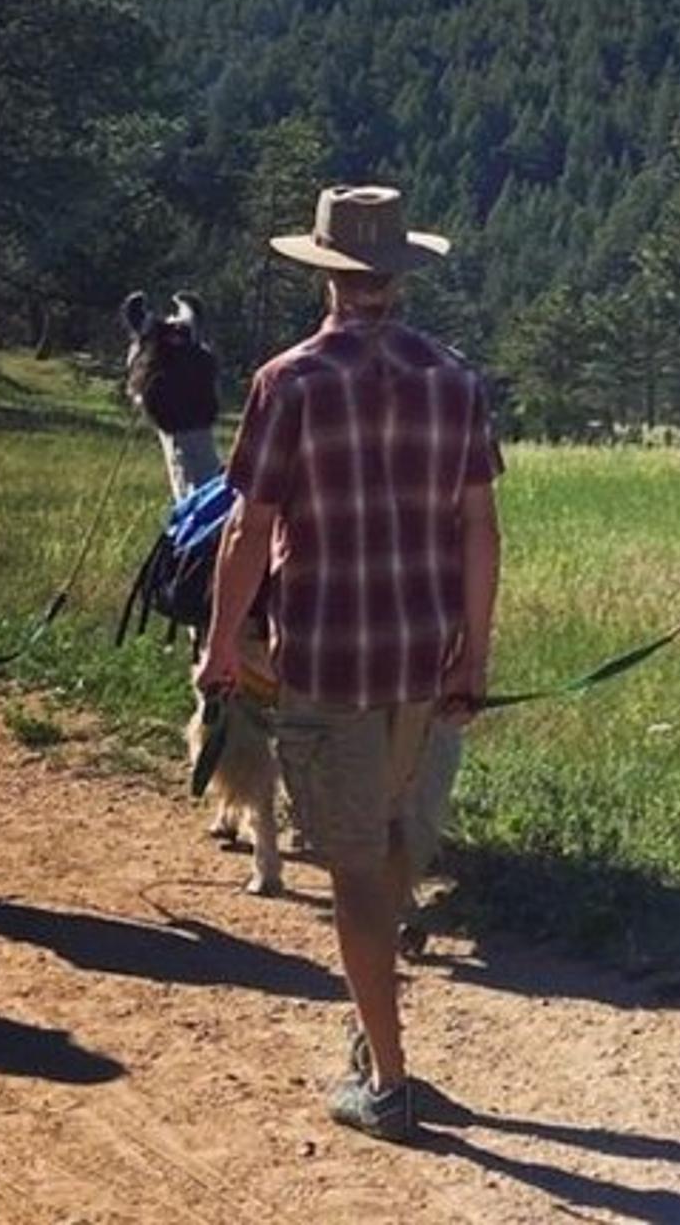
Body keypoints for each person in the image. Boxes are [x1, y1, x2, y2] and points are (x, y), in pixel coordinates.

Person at [199, 185, 502, 1143]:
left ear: (326, 273)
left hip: (329, 657)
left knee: (354, 869)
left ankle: (390, 1082)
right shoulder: (453, 377)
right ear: (399, 274)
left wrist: (220, 641)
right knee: (389, 838)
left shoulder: (287, 381)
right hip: (422, 654)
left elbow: (249, 528)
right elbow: (481, 528)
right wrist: (475, 652)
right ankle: (376, 1044)